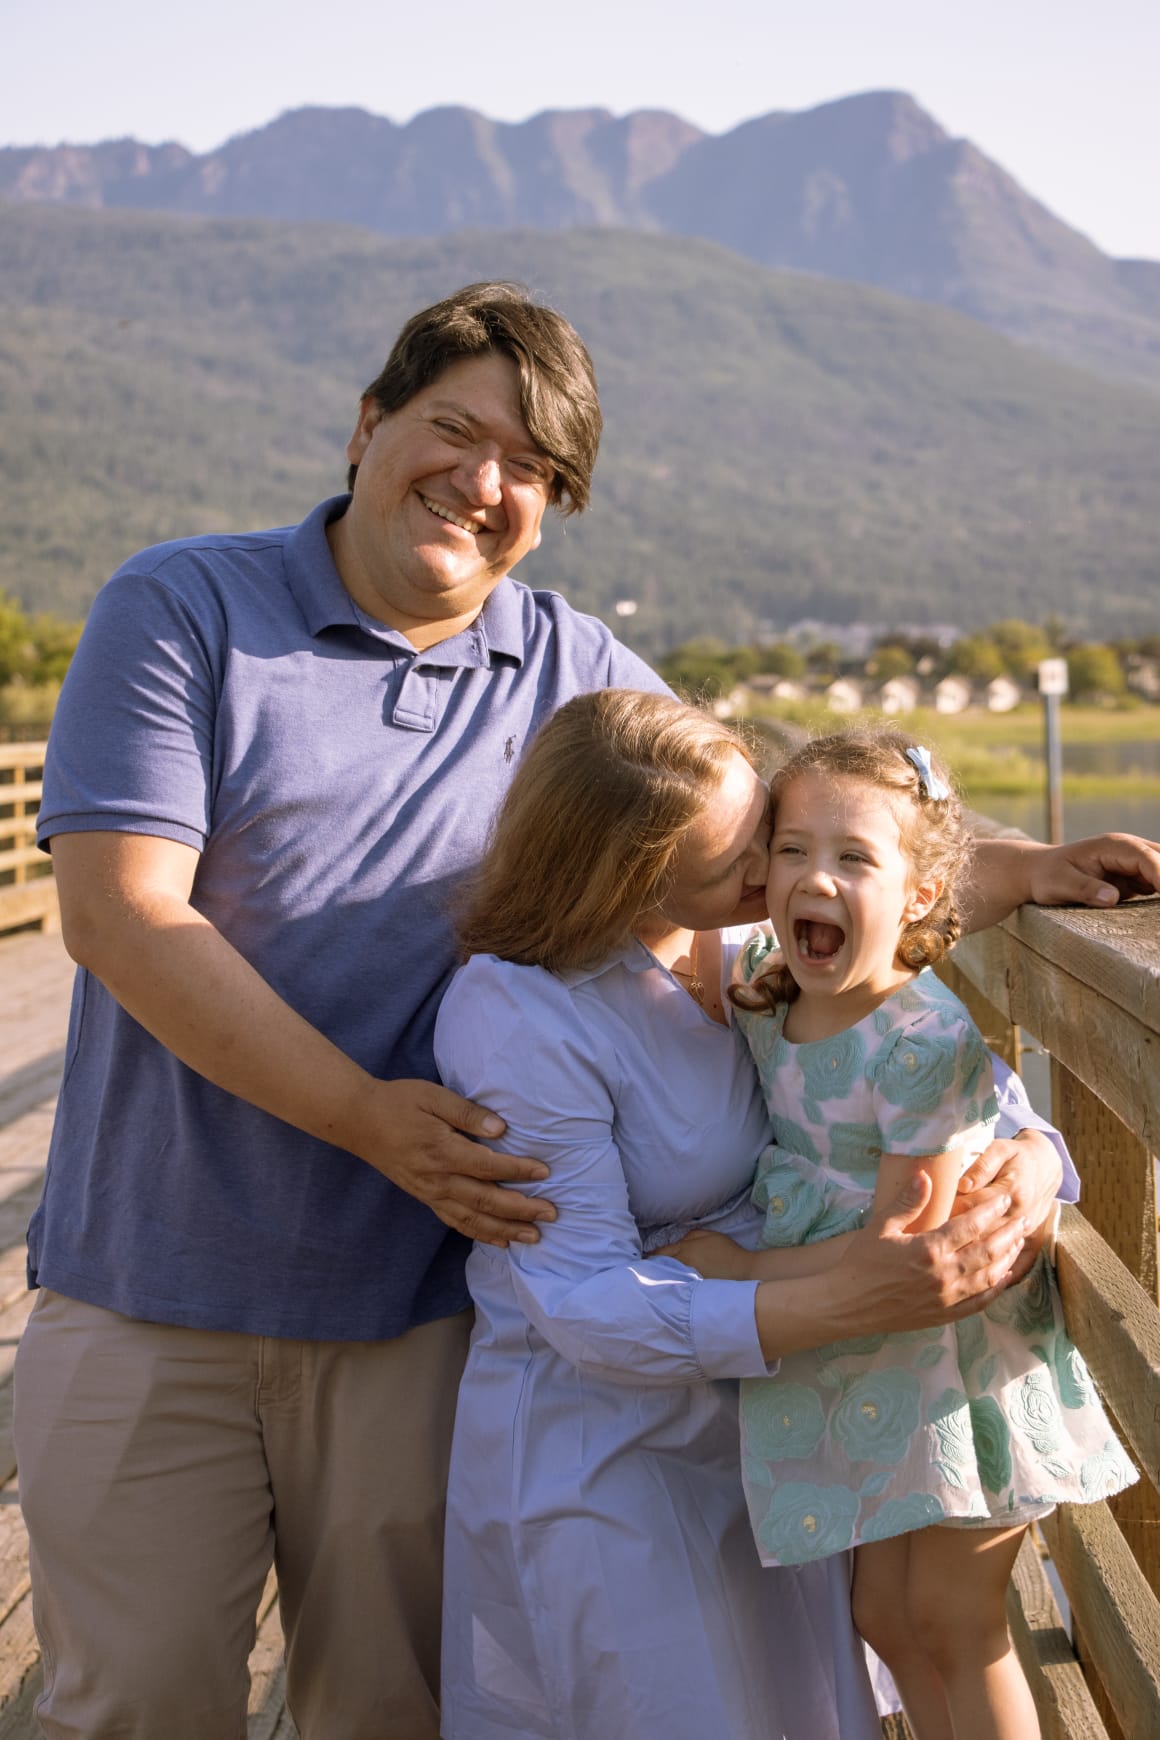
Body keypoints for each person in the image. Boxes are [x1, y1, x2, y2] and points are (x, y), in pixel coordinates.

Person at [12, 278, 1156, 1740]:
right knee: (136, 1705)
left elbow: (782, 830)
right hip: (160, 1283)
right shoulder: (185, 607)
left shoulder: (569, 667)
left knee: (384, 1712)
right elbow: (117, 913)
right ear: (365, 423)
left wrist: (1023, 867)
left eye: (535, 470)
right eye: (454, 429)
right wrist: (368, 1119)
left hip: (415, 1315)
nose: (486, 484)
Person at [431, 688, 1140, 1740]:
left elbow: (910, 1027)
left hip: (783, 1420)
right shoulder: (526, 1015)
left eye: (762, 836)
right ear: (629, 878)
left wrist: (1036, 1155)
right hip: (621, 1448)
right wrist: (793, 1285)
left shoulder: (751, 960)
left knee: (853, 1676)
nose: (774, 876)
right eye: (746, 863)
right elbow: (582, 1304)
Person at [664, 729, 1136, 1740]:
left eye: (853, 858)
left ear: (920, 898)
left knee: (955, 1623)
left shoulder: (918, 1039)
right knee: (884, 1615)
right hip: (860, 1349)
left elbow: (902, 1243)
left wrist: (746, 1273)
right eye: (790, 850)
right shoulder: (769, 989)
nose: (813, 878)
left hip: (951, 1353)